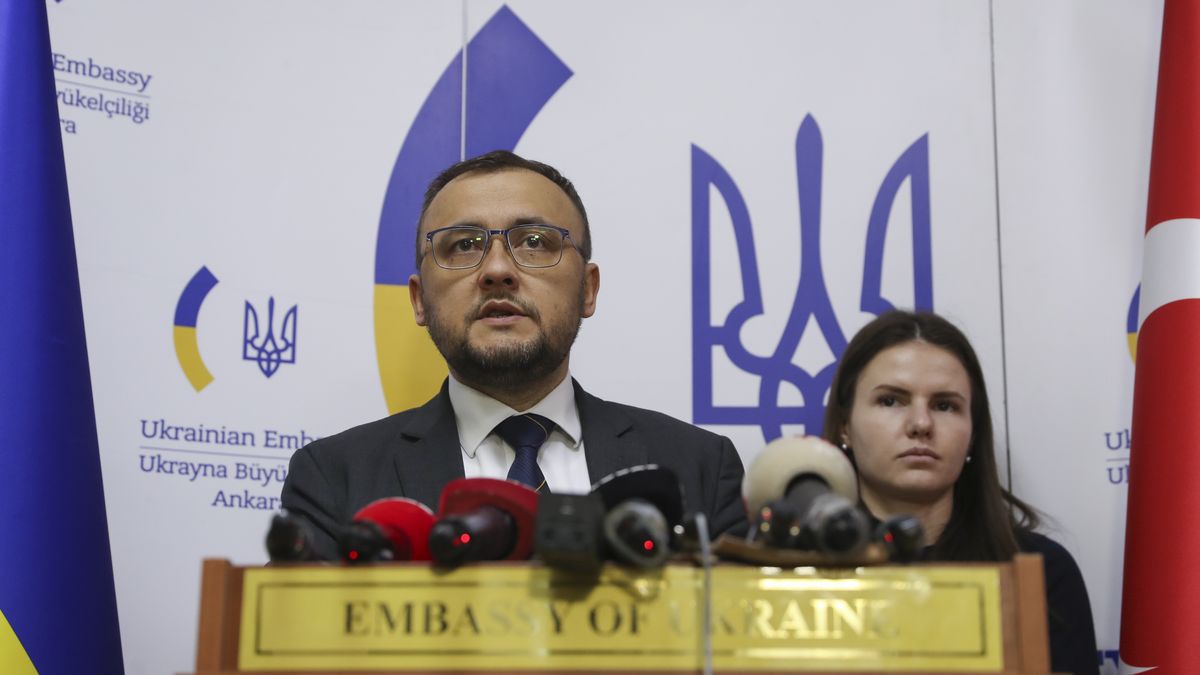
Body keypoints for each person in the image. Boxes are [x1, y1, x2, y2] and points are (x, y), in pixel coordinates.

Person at [281, 150, 747, 559]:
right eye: (464, 245)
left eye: (535, 242)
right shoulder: (334, 478)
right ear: (419, 300)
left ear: (588, 288)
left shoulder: (698, 466)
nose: (498, 270)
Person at [822, 310, 1098, 675]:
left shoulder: (1041, 572)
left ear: (972, 431)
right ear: (845, 426)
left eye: (945, 405)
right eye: (891, 400)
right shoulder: (784, 569)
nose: (920, 424)